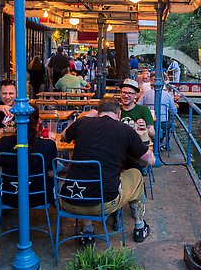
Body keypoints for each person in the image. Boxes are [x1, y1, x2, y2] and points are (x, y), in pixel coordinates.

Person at [59, 96, 155, 244]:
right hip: (104, 204)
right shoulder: (125, 130)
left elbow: (63, 137)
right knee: (136, 174)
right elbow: (150, 160)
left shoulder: (82, 123)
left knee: (87, 174)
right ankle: (139, 227)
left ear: (98, 112)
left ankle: (87, 231)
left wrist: (84, 116)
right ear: (119, 114)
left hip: (69, 200)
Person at [0, 106, 56, 207]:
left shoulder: (4, 142)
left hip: (10, 197)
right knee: (58, 167)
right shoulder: (48, 145)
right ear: (38, 122)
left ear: (14, 121)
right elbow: (52, 173)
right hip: (40, 197)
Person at [137, 79, 178, 149]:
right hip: (163, 123)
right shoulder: (167, 95)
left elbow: (138, 106)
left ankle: (153, 142)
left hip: (149, 122)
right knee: (167, 126)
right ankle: (161, 143)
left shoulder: (146, 94)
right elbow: (174, 111)